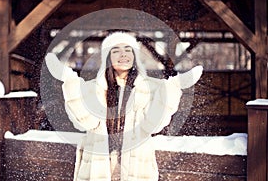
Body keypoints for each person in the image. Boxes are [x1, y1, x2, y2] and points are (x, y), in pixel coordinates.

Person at [45, 31, 203, 181]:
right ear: (108, 58)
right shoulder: (93, 88)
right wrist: (69, 80)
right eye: (116, 51)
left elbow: (152, 125)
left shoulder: (152, 87)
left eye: (128, 50)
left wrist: (175, 86)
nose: (123, 55)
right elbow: (86, 122)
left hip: (136, 166)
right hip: (100, 163)